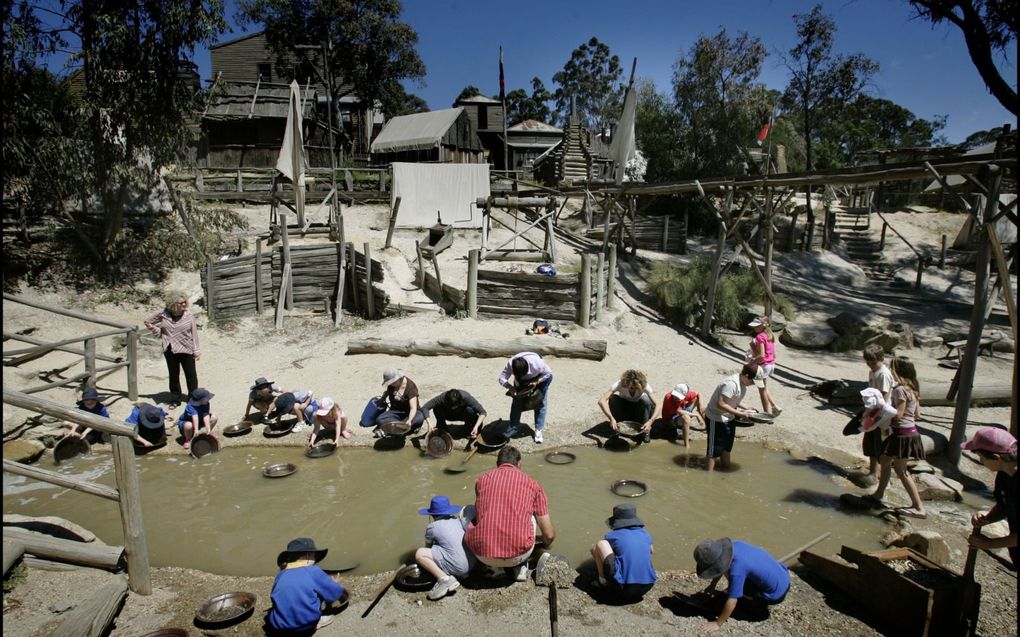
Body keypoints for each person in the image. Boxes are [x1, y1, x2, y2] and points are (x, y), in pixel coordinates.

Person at [464, 446, 556, 582]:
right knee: (531, 516)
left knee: (469, 510)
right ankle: (521, 565)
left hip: (482, 554)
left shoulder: (481, 480)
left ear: (497, 465)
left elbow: (481, 512)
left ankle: (485, 564)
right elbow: (549, 534)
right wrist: (546, 545)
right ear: (519, 464)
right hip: (518, 555)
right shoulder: (533, 485)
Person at [867, 357, 927, 519]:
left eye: (892, 368)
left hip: (902, 434)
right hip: (911, 432)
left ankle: (918, 507)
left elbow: (899, 415)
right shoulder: (913, 389)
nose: (889, 370)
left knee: (898, 468)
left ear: (897, 371)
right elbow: (917, 414)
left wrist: (882, 412)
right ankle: (879, 494)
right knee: (887, 462)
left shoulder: (900, 390)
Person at [693, 537, 790, 632]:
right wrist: (712, 585)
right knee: (733, 574)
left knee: (734, 587)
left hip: (776, 594)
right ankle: (748, 594)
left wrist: (718, 623)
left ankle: (756, 605)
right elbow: (720, 567)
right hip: (783, 576)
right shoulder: (735, 545)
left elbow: (732, 600)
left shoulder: (737, 569)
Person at [962, 427, 1017, 566]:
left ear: (997, 457)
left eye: (981, 457)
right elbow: (1004, 507)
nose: (981, 461)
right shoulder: (1004, 475)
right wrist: (987, 518)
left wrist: (990, 543)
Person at [268, 537, 345, 634]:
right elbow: (335, 594)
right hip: (305, 626)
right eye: (315, 556)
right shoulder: (313, 571)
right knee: (321, 590)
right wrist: (335, 584)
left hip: (278, 626)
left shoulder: (280, 575)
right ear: (309, 555)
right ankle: (316, 623)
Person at [415, 495, 476, 601]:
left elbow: (428, 547)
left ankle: (445, 580)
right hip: (472, 564)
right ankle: (463, 574)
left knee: (420, 554)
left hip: (459, 567)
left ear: (432, 515)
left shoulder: (432, 527)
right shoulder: (457, 521)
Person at [144, 291, 200, 406]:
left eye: (185, 302)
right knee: (173, 375)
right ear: (173, 304)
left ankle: (193, 398)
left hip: (186, 348)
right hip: (170, 349)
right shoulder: (163, 314)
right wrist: (158, 331)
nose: (184, 305)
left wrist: (196, 350)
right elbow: (148, 321)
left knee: (191, 375)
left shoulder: (189, 315)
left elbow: (194, 333)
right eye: (180, 303)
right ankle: (176, 399)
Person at [591, 504, 656, 601]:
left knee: (601, 544)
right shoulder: (645, 534)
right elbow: (651, 550)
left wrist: (594, 553)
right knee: (646, 547)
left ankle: (602, 581)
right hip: (648, 586)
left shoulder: (612, 535)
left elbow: (600, 551)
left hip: (623, 588)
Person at [703, 364, 759, 472]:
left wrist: (745, 407)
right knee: (713, 452)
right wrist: (741, 414)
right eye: (753, 381)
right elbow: (721, 404)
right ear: (746, 375)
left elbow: (733, 398)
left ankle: (725, 470)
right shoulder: (731, 384)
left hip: (729, 418)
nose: (753, 384)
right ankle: (707, 476)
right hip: (716, 418)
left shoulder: (742, 383)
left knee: (726, 448)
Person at [498, 351, 553, 444]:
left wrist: (537, 382)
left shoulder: (537, 364)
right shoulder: (511, 364)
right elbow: (501, 378)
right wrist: (510, 387)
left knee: (540, 402)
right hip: (521, 382)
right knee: (517, 401)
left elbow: (548, 374)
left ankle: (538, 430)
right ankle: (513, 427)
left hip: (541, 378)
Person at [597, 369, 661, 443]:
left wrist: (651, 421)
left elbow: (658, 404)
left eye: (636, 388)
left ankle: (645, 432)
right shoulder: (619, 384)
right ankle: (617, 427)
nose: (633, 390)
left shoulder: (645, 386)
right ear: (625, 383)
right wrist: (611, 418)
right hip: (626, 409)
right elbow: (601, 401)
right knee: (613, 398)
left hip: (641, 411)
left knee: (645, 400)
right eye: (631, 387)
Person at [862, 344, 894, 482]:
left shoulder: (883, 374)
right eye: (868, 362)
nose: (870, 365)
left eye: (873, 362)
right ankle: (872, 471)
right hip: (873, 412)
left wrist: (873, 414)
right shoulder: (873, 371)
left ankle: (879, 473)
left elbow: (883, 396)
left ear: (882, 358)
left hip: (881, 416)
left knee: (879, 443)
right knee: (870, 442)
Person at [373, 369, 424, 437]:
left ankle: (393, 428)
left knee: (419, 417)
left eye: (392, 382)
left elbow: (413, 408)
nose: (390, 384)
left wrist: (409, 420)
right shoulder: (392, 385)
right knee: (380, 419)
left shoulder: (411, 387)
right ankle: (401, 428)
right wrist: (383, 398)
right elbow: (387, 391)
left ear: (398, 379)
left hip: (410, 413)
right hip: (395, 411)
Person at [748, 318, 782, 416]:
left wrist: (752, 362)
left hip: (763, 366)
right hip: (771, 365)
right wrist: (753, 346)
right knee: (764, 388)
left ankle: (767, 414)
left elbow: (762, 355)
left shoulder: (759, 337)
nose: (754, 327)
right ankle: (775, 407)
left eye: (756, 326)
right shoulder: (769, 336)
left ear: (762, 326)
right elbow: (773, 354)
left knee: (761, 390)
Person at [420, 389, 487, 437]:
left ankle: (469, 429)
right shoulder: (442, 397)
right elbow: (425, 407)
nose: (453, 407)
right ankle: (442, 427)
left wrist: (476, 426)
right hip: (450, 415)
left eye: (454, 406)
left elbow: (483, 412)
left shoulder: (466, 397)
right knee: (437, 407)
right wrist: (429, 423)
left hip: (463, 415)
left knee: (470, 410)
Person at [661, 383, 705, 448]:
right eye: (675, 395)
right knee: (686, 417)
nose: (676, 398)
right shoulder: (668, 397)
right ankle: (687, 445)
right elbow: (679, 411)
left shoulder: (687, 394)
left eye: (679, 397)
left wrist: (701, 405)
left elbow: (698, 393)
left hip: (681, 412)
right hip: (670, 420)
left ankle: (707, 425)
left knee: (696, 399)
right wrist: (696, 415)